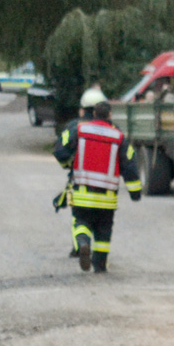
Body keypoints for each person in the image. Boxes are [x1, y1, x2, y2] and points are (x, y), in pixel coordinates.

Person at [52, 87, 141, 273]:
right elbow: (130, 165)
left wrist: (70, 165)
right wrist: (135, 192)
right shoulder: (117, 133)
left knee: (80, 222)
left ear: (85, 109)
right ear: (108, 113)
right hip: (107, 198)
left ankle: (83, 243)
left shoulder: (77, 128)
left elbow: (60, 151)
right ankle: (100, 265)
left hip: (82, 193)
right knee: (104, 230)